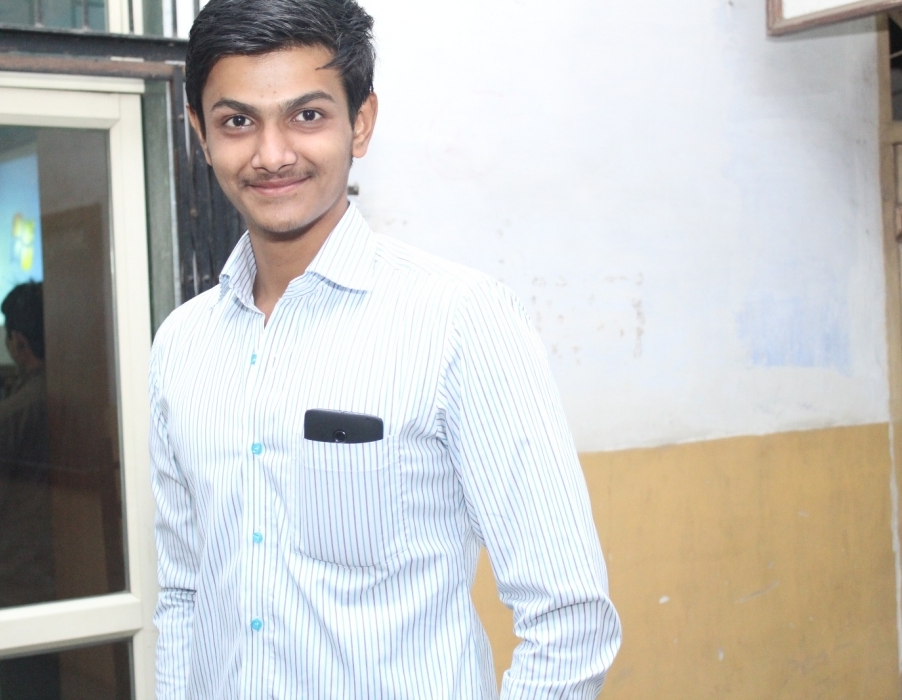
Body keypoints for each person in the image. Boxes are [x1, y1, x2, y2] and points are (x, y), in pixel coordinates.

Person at [149, 0, 621, 697]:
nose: (272, 154)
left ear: (361, 122)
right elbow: (185, 596)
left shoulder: (458, 321)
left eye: (307, 115)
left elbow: (568, 619)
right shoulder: (182, 345)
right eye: (237, 122)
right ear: (201, 133)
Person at [0, 280, 60, 699]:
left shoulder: (4, 419)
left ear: (19, 342)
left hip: (20, 593)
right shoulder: (83, 398)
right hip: (75, 584)